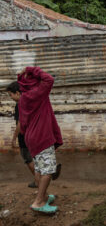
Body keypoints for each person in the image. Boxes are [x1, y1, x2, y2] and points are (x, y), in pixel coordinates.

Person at [18, 67, 63, 214]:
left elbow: (23, 123)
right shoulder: (38, 93)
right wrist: (32, 69)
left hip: (30, 137)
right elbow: (49, 79)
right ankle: (38, 202)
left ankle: (43, 196)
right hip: (41, 136)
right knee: (48, 171)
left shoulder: (23, 98)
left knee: (38, 168)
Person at [6, 82, 36, 188]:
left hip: (24, 136)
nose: (10, 97)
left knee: (27, 158)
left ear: (17, 93)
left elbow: (20, 123)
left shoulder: (19, 105)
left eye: (11, 94)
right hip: (33, 134)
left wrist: (14, 138)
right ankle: (43, 177)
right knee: (35, 157)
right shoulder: (29, 102)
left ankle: (39, 181)